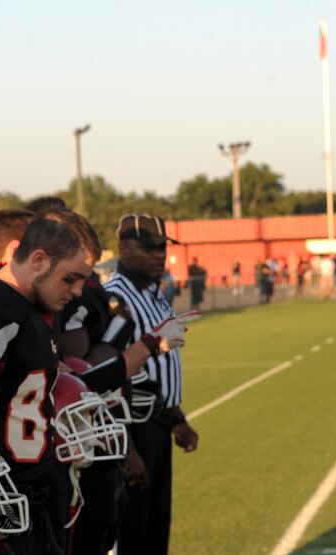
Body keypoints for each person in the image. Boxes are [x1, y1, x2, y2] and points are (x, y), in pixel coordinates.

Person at [0, 209, 102, 555]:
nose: (79, 292)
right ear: (38, 259)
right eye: (70, 279)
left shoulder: (32, 309)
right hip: (3, 507)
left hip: (33, 494)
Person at [103, 214, 198, 555]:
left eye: (163, 248)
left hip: (157, 423)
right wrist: (126, 448)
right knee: (132, 534)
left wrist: (177, 418)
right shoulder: (114, 297)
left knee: (156, 529)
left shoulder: (154, 293)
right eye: (150, 248)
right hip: (132, 427)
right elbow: (108, 378)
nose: (159, 255)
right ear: (124, 249)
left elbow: (159, 366)